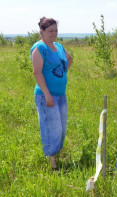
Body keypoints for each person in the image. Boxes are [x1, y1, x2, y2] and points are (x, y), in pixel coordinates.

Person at [31, 17, 73, 170]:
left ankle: (56, 154)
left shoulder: (58, 46)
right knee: (52, 128)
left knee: (61, 128)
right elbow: (37, 73)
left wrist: (63, 72)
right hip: (46, 96)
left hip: (61, 94)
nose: (54, 33)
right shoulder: (39, 48)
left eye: (56, 30)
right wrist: (47, 94)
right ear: (41, 31)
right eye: (50, 31)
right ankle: (53, 164)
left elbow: (69, 59)